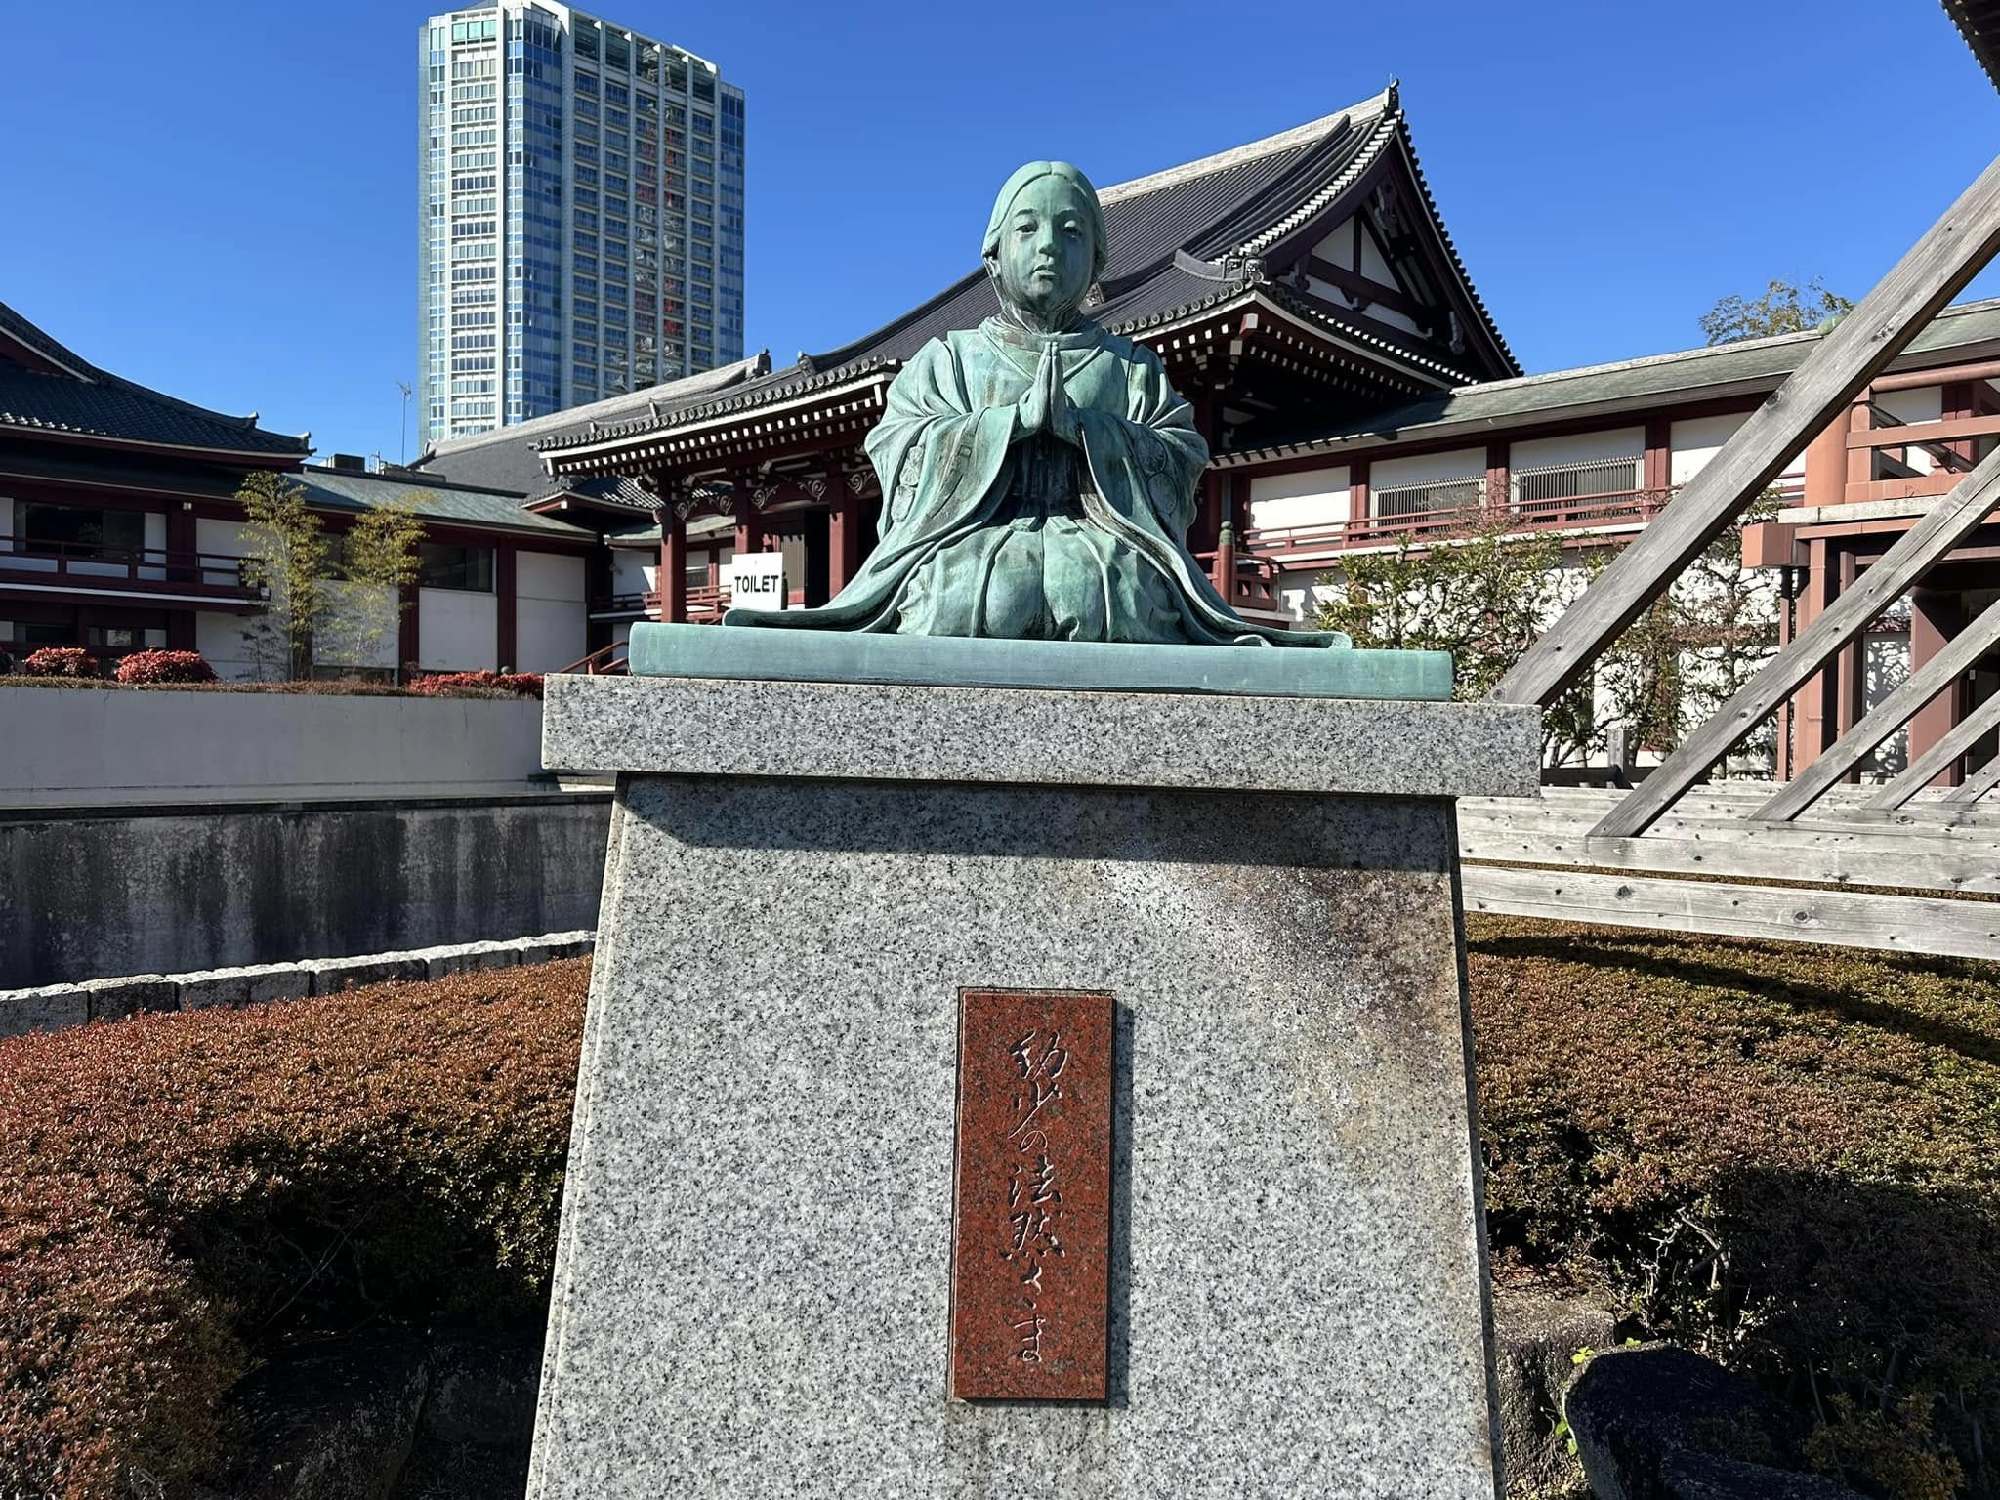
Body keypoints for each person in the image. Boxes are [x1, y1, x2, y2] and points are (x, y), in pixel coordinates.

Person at [723, 160, 1345, 647]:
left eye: (1071, 232)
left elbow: (1181, 455)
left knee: (1116, 590)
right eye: (1028, 228)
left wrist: (1089, 431)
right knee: (965, 592)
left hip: (1107, 547)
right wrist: (1006, 426)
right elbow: (897, 447)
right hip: (966, 543)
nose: (1049, 245)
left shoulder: (1132, 368)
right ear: (993, 255)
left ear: (1097, 259)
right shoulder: (946, 359)